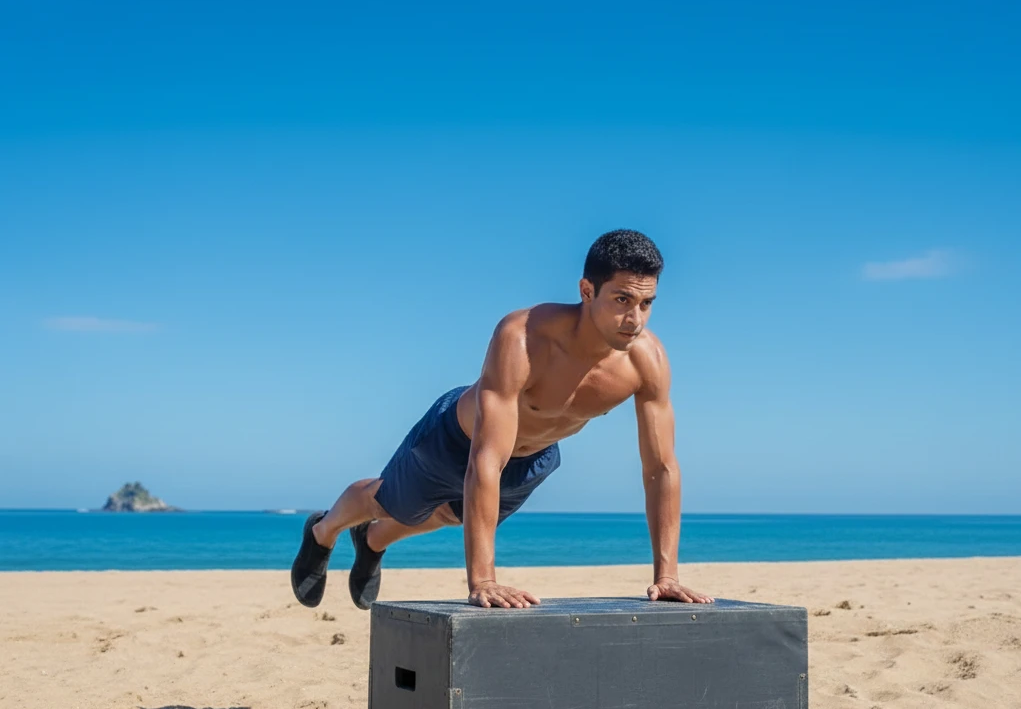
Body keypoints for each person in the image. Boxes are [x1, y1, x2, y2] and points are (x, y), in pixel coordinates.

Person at [291, 229, 714, 610]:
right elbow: (485, 460)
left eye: (646, 303)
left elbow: (660, 468)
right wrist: (483, 581)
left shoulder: (647, 361)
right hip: (456, 438)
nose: (635, 319)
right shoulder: (523, 337)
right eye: (622, 300)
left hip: (533, 457)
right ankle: (323, 532)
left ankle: (371, 541)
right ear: (587, 291)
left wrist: (667, 576)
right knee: (386, 502)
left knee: (451, 515)